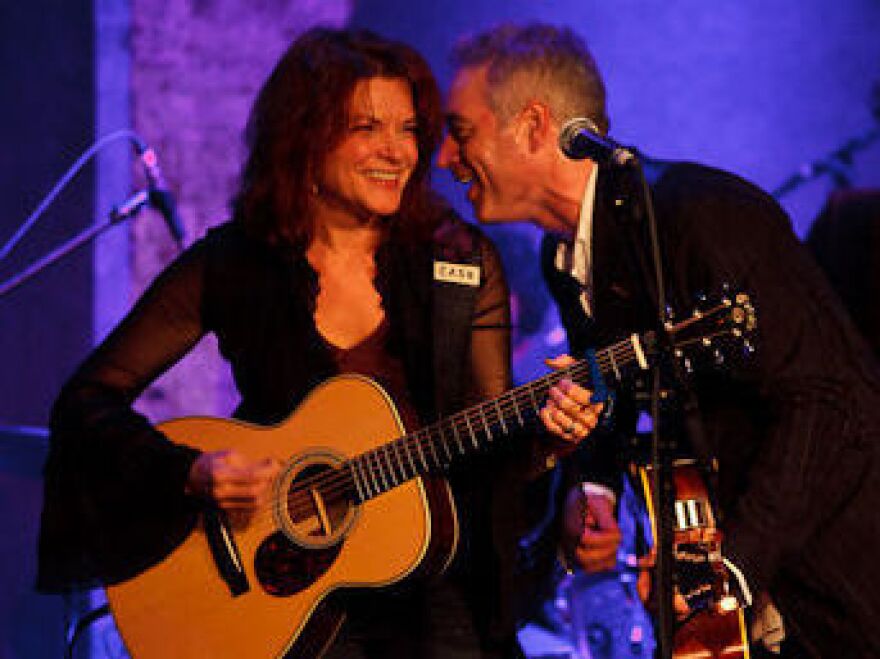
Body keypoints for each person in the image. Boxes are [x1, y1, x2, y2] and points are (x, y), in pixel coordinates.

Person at [35, 27, 601, 658]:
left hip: (437, 601)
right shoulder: (235, 262)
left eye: (409, 128)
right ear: (304, 136)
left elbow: (489, 449)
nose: (398, 151)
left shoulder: (458, 261)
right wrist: (191, 472)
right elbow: (87, 400)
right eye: (367, 127)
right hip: (277, 597)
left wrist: (548, 442)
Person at [438, 22, 880, 657]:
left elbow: (826, 400)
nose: (445, 160)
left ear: (535, 125)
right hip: (748, 590)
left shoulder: (702, 214)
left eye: (461, 133)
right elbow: (611, 388)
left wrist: (729, 572)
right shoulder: (562, 257)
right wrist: (594, 490)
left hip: (837, 579)